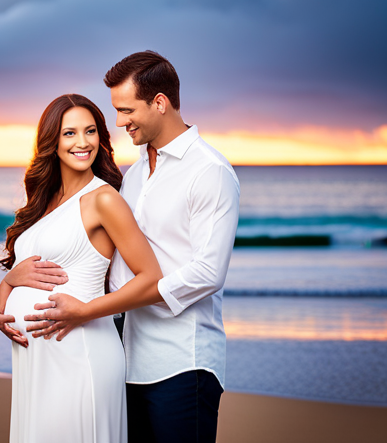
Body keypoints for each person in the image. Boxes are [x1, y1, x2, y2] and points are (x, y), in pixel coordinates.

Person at [22, 51, 241, 443]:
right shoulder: (136, 172)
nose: (119, 122)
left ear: (159, 103)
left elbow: (208, 273)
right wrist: (17, 282)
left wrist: (98, 307)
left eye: (126, 110)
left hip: (182, 363)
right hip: (125, 359)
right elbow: (100, 256)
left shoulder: (210, 171)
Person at [0, 93, 164, 443]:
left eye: (90, 131)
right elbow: (29, 267)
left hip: (81, 352)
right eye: (69, 133)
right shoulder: (44, 201)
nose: (82, 142)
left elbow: (151, 279)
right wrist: (6, 291)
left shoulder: (104, 199)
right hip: (36, 359)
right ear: (51, 141)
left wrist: (83, 312)